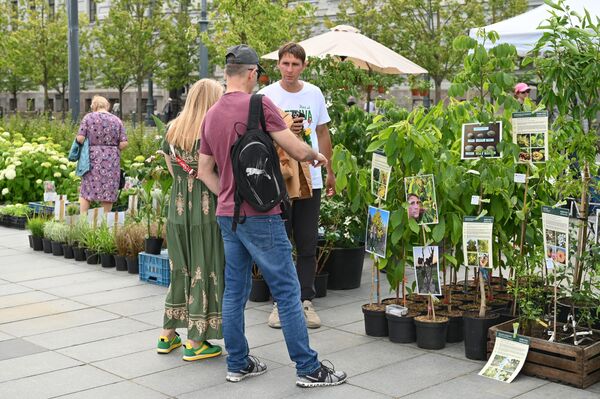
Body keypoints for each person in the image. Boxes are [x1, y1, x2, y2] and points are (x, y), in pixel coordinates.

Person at [197, 44, 347, 387]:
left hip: (227, 215)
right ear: (252, 73)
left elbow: (204, 169)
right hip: (262, 215)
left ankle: (238, 363)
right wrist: (317, 157)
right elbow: (293, 147)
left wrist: (228, 194)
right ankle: (309, 368)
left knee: (234, 291)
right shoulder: (259, 103)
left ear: (226, 73)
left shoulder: (212, 112)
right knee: (287, 289)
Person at [258, 42, 336, 329]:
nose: (290, 69)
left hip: (310, 179)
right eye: (285, 63)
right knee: (280, 242)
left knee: (306, 242)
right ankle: (280, 302)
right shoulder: (266, 95)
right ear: (278, 65)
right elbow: (259, 135)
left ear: (303, 66)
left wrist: (329, 169)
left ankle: (305, 301)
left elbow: (322, 131)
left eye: (295, 64)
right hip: (279, 178)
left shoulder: (313, 93)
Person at [156, 79, 225, 361]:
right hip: (205, 207)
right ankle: (196, 342)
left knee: (180, 268)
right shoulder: (212, 129)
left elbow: (173, 172)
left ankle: (167, 335)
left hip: (177, 208)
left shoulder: (173, 128)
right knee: (204, 266)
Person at [76, 95, 128, 214]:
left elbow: (80, 138)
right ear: (107, 106)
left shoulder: (88, 118)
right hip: (111, 160)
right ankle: (104, 222)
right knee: (108, 190)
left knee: (86, 190)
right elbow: (124, 143)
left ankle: (83, 220)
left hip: (92, 159)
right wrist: (112, 149)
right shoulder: (116, 120)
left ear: (94, 106)